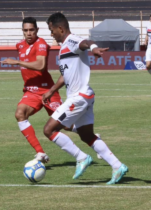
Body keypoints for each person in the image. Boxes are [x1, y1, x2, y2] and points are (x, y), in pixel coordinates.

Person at [1, 17, 93, 180]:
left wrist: (17, 62)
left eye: (31, 30)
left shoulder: (42, 44)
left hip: (46, 90)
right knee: (20, 114)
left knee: (64, 126)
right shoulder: (20, 45)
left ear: (37, 30)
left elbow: (41, 65)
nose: (28, 33)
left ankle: (92, 138)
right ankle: (40, 152)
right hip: (30, 91)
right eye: (25, 30)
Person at [42, 12, 128, 184]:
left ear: (60, 28)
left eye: (52, 30)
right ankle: (118, 166)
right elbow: (65, 76)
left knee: (49, 130)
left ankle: (81, 157)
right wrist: (51, 91)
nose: (51, 34)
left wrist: (93, 47)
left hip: (78, 98)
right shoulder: (64, 48)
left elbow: (85, 43)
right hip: (84, 96)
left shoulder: (72, 40)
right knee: (86, 135)